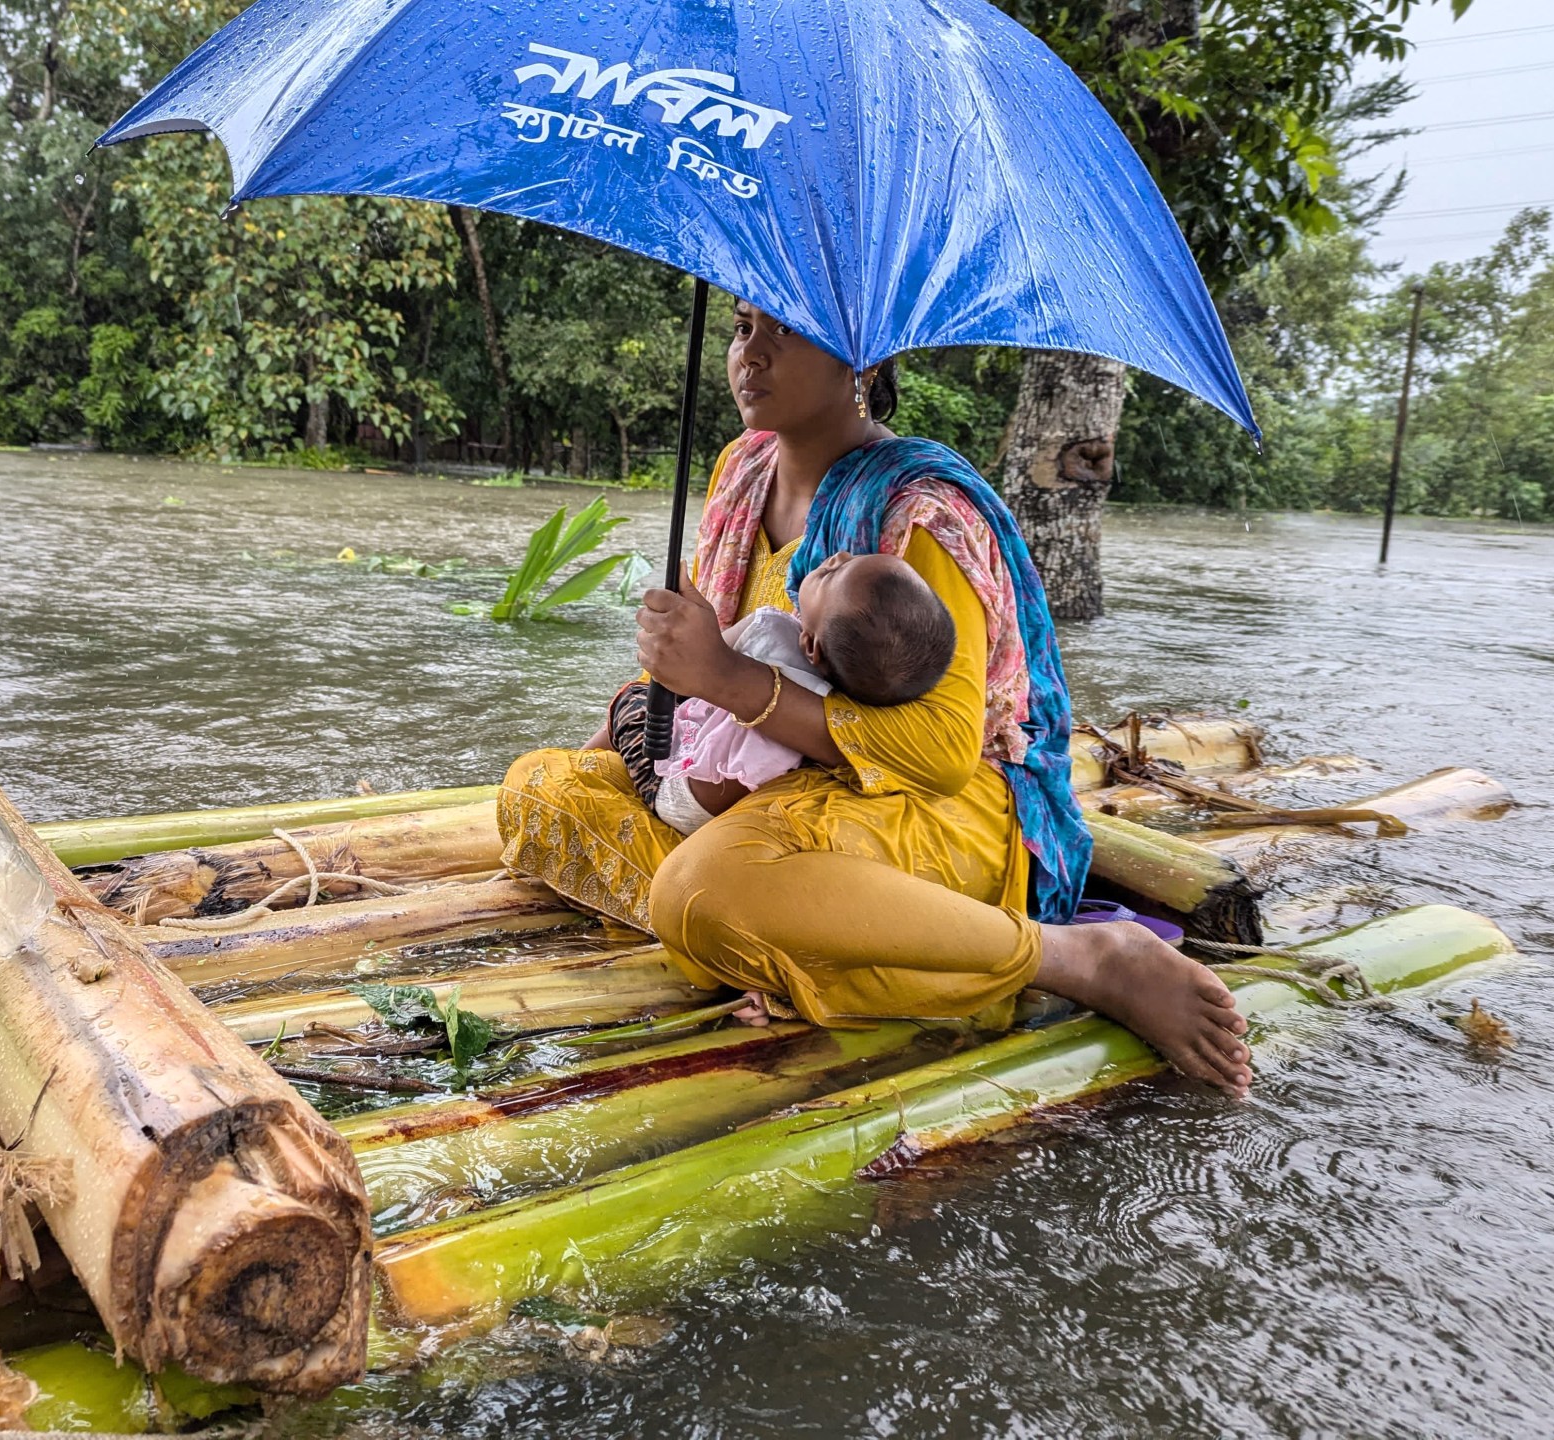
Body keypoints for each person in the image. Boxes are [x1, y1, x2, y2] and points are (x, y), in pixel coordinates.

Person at [499, 301, 1252, 1096]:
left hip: (917, 806)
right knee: (539, 789)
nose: (748, 357)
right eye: (741, 328)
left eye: (782, 332)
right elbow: (701, 676)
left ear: (861, 361)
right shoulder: (738, 472)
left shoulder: (920, 514)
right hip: (757, 786)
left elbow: (942, 751)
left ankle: (1074, 958)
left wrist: (728, 680)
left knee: (702, 892)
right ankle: (801, 941)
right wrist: (651, 700)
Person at [600, 553, 956, 837]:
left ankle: (578, 762)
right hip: (726, 819)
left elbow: (685, 676)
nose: (839, 555)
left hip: (677, 800)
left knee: (633, 697)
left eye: (834, 573)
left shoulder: (770, 629)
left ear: (811, 646)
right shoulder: (844, 706)